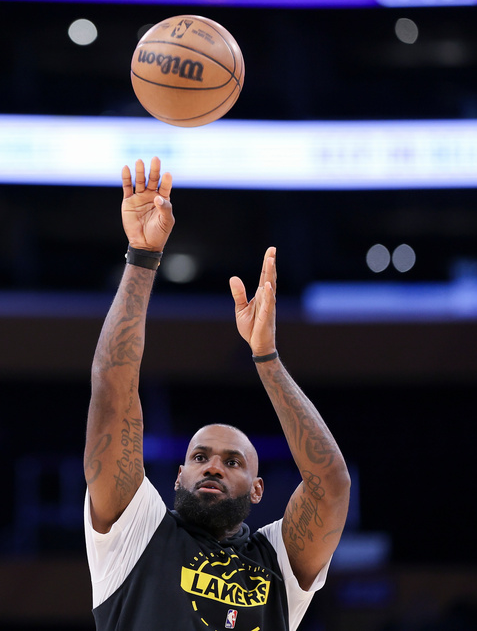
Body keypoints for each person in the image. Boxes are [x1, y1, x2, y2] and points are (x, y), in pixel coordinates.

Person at [83, 158, 351, 631]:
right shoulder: (137, 531)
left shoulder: (276, 561)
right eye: (201, 456)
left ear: (258, 488)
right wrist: (142, 256)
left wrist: (266, 358)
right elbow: (113, 391)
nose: (212, 466)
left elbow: (330, 486)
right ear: (178, 476)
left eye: (232, 462)